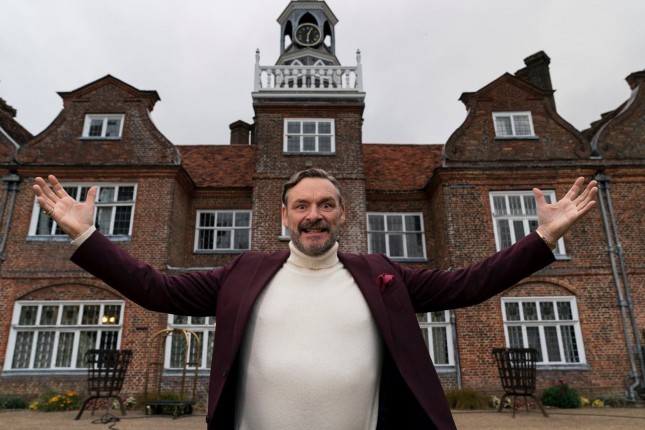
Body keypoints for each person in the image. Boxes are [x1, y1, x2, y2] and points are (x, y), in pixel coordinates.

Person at [33, 169, 597, 430]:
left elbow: (468, 284)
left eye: (326, 204)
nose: (314, 215)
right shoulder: (243, 273)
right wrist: (87, 236)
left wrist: (543, 238)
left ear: (342, 214)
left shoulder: (381, 274)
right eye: (302, 206)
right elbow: (154, 289)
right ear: (284, 216)